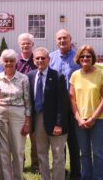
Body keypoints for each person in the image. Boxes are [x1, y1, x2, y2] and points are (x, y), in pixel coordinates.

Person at [69, 45, 103, 180]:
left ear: (93, 58)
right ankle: (86, 177)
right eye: (82, 56)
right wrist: (79, 118)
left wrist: (93, 118)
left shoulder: (102, 74)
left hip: (98, 120)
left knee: (97, 152)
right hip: (80, 120)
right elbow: (72, 99)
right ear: (78, 58)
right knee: (84, 153)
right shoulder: (75, 75)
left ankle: (99, 178)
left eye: (88, 56)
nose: (85, 58)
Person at [28, 47, 69, 180]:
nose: (40, 60)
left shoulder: (57, 76)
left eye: (43, 58)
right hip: (38, 120)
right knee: (41, 154)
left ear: (49, 60)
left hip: (55, 121)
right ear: (34, 60)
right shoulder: (30, 76)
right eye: (37, 58)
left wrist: (59, 124)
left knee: (58, 155)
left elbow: (63, 103)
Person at [0, 49, 31, 180]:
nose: (9, 63)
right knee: (2, 150)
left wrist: (27, 122)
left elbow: (28, 101)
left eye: (12, 61)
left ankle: (17, 177)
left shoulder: (23, 78)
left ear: (16, 62)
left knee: (17, 149)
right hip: (0, 115)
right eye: (6, 61)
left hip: (18, 114)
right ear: (2, 62)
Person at [49, 29, 81, 179]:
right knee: (59, 144)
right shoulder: (51, 57)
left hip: (75, 106)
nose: (62, 41)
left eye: (65, 38)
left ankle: (76, 173)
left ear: (70, 39)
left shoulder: (78, 57)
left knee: (74, 143)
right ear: (56, 40)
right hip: (57, 108)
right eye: (59, 38)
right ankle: (61, 171)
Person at [15, 33, 38, 173]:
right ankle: (20, 163)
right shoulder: (15, 61)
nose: (25, 45)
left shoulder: (37, 59)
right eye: (23, 43)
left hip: (35, 104)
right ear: (19, 45)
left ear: (32, 44)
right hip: (19, 104)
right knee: (19, 136)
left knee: (35, 138)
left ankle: (36, 165)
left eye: (28, 43)